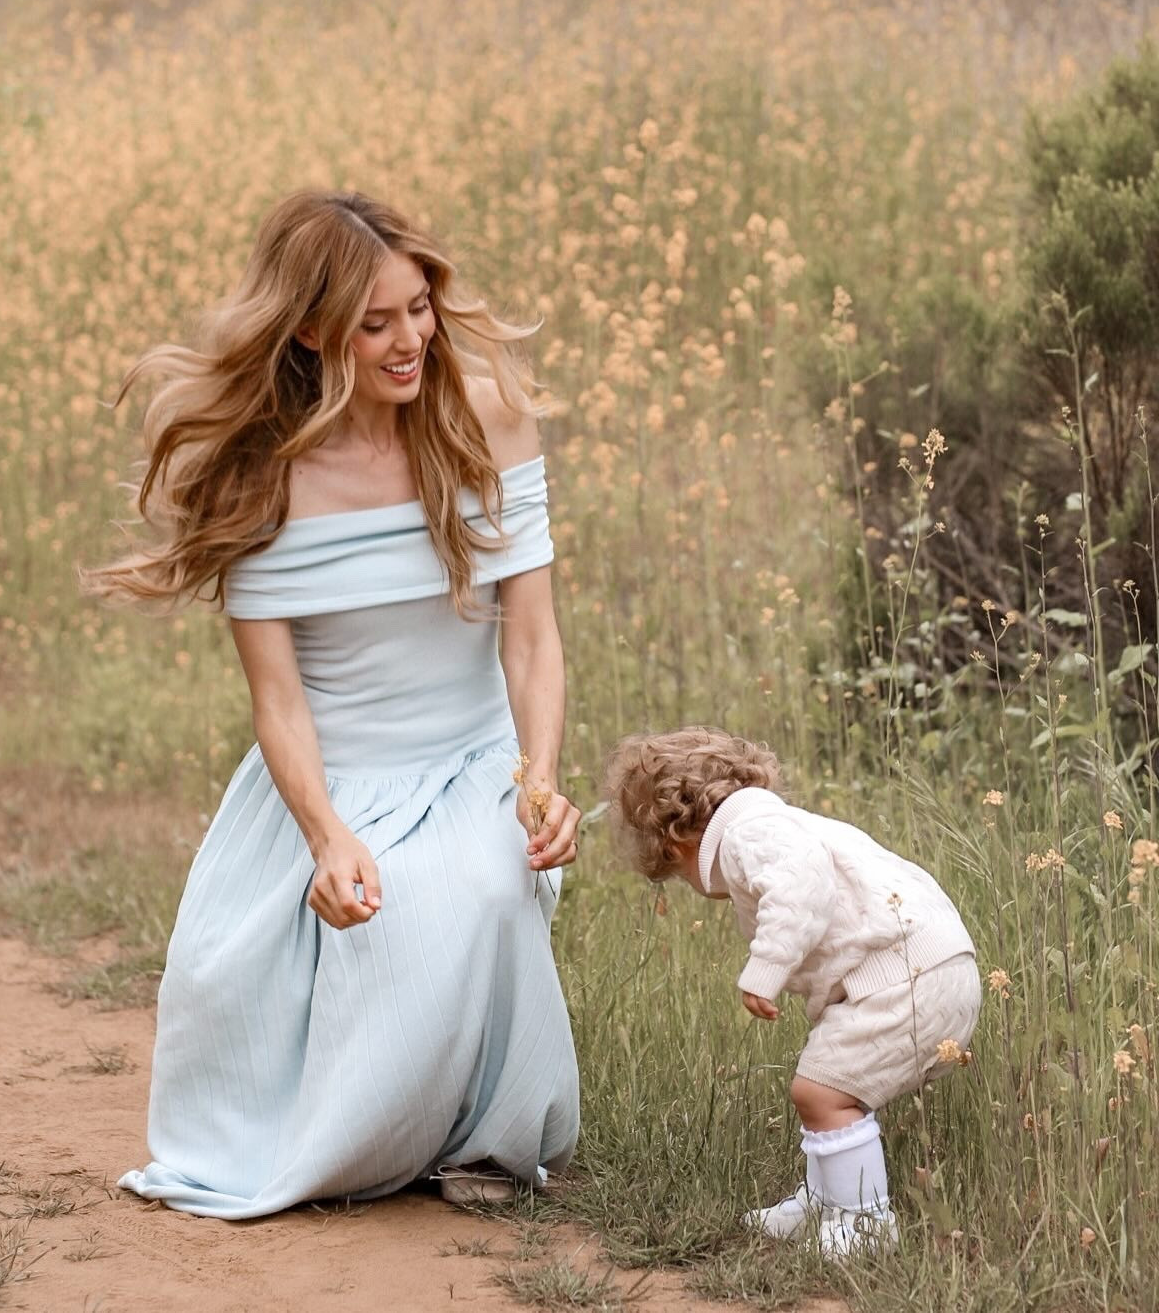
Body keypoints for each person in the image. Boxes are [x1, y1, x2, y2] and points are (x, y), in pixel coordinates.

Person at [79, 188, 581, 1217]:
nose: (409, 340)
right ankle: (369, 1139)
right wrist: (323, 834)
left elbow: (528, 636)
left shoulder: (487, 413)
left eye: (418, 308)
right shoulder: (256, 475)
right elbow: (280, 704)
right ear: (312, 328)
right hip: (324, 775)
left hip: (470, 761)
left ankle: (483, 1143)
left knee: (476, 894)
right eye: (375, 321)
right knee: (327, 940)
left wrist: (539, 778)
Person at [602, 726, 980, 1257]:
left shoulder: (746, 834)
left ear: (675, 841)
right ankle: (827, 1200)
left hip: (906, 976)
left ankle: (861, 1223)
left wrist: (765, 968)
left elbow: (802, 887)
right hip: (930, 968)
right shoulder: (770, 822)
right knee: (827, 1083)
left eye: (678, 872)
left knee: (821, 1093)